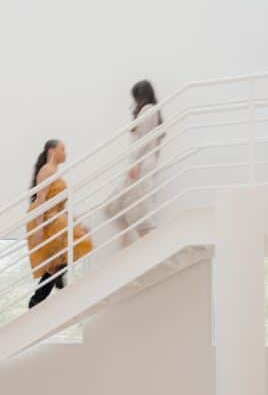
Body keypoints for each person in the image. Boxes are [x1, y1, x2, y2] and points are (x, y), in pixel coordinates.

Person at [25, 140, 94, 309]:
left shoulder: (55, 172)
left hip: (56, 217)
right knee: (62, 255)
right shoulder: (46, 171)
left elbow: (61, 206)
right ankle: (43, 294)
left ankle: (38, 299)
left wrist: (78, 222)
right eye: (63, 149)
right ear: (52, 150)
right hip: (46, 219)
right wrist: (39, 229)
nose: (66, 152)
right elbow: (41, 200)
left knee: (61, 257)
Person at [105, 80, 165, 246]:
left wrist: (136, 163)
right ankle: (132, 242)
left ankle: (138, 245)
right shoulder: (153, 111)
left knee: (137, 209)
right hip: (144, 163)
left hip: (142, 164)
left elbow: (144, 140)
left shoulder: (148, 110)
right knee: (122, 207)